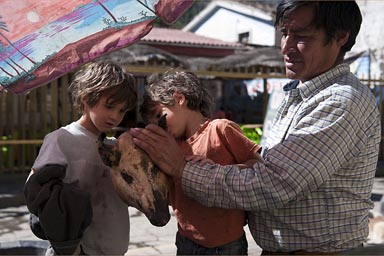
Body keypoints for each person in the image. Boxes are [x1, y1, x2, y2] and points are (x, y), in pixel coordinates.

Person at [129, 1, 381, 254]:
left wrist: (183, 169)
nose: (286, 47)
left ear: (340, 37)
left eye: (301, 36)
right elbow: (265, 166)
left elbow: (275, 183)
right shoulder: (301, 96)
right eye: (284, 33)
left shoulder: (341, 101)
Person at [140, 70, 263, 255]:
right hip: (186, 241)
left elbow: (258, 166)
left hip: (227, 244)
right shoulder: (171, 147)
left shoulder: (220, 129)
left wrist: (217, 170)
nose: (160, 125)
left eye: (159, 115)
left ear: (179, 98)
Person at [24, 61, 137, 255]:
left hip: (113, 243)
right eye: (109, 106)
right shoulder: (61, 139)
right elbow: (37, 193)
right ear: (86, 98)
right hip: (77, 248)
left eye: (121, 110)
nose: (115, 116)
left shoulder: (115, 147)